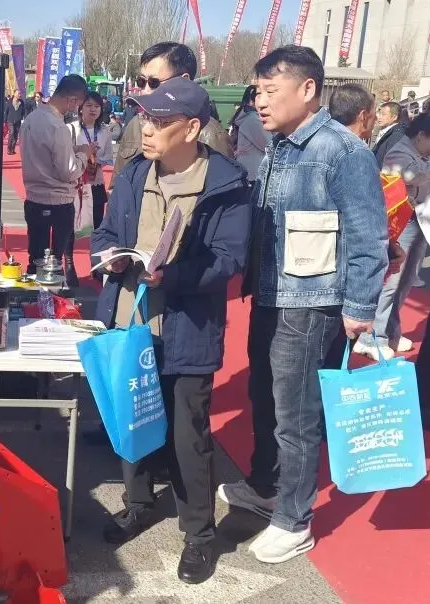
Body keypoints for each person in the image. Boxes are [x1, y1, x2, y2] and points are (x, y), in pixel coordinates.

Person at [218, 45, 388, 564]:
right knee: (264, 397)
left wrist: (360, 306)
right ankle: (265, 488)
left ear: (308, 89)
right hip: (271, 294)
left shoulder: (342, 152)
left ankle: (294, 520)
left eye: (271, 91)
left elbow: (370, 236)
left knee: (296, 414)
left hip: (311, 304)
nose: (260, 101)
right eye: (258, 91)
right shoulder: (281, 145)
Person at [92, 77, 251, 584]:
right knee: (134, 419)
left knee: (188, 435)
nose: (147, 129)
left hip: (188, 328)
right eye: (146, 118)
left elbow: (228, 260)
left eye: (161, 122)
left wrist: (173, 276)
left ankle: (199, 535)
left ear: (192, 128)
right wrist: (109, 256)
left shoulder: (224, 185)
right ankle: (138, 503)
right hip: (131, 320)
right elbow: (107, 230)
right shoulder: (135, 174)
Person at [323, 84, 405, 369]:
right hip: (342, 273)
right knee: (329, 362)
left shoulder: (317, 144)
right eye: (373, 114)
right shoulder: (354, 153)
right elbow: (366, 231)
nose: (375, 119)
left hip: (317, 274)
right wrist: (360, 306)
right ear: (362, 116)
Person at [353, 115, 430, 359]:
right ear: (421, 136)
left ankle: (390, 331)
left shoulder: (425, 156)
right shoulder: (399, 151)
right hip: (402, 222)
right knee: (392, 282)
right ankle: (370, 338)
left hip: (421, 221)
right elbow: (410, 176)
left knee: (407, 280)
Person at [112, 42, 234, 184]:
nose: (145, 91)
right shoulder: (135, 124)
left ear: (184, 80)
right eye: (141, 81)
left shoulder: (211, 135)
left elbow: (222, 189)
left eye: (153, 82)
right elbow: (117, 184)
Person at [19, 73, 91, 278]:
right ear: (72, 100)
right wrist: (84, 155)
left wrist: (73, 151)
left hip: (34, 198)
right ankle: (48, 297)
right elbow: (68, 172)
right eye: (78, 105)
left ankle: (33, 295)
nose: (76, 109)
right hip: (57, 202)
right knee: (53, 266)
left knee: (35, 260)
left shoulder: (31, 119)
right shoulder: (57, 126)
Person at [69, 91, 115, 229]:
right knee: (72, 226)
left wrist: (96, 161)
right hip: (76, 184)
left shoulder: (105, 130)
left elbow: (108, 156)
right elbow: (66, 155)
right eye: (89, 105)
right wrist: (85, 157)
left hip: (96, 183)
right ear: (81, 108)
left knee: (97, 224)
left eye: (97, 106)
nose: (93, 109)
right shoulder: (71, 129)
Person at [230, 85, 271, 188]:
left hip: (249, 171)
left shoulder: (246, 117)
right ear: (253, 101)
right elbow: (268, 145)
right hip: (253, 174)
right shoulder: (253, 119)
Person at [374, 101, 408, 166]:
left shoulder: (397, 135)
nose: (379, 117)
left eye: (383, 114)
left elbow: (391, 163)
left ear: (394, 117)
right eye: (379, 114)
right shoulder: (387, 131)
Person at [5, 89, 25, 154]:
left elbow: (23, 111)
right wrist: (5, 121)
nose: (19, 95)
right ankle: (9, 149)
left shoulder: (21, 102)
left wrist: (21, 117)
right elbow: (6, 111)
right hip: (10, 120)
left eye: (20, 93)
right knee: (11, 133)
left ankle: (12, 149)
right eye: (18, 93)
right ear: (14, 94)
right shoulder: (9, 101)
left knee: (16, 136)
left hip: (18, 121)